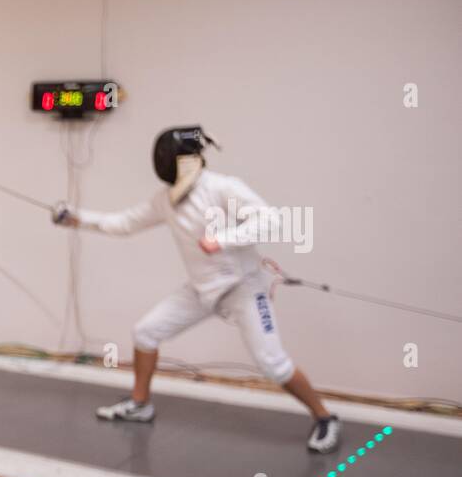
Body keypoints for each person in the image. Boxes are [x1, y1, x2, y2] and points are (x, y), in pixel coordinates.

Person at [54, 126, 339, 453]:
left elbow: (271, 220)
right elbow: (124, 223)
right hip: (203, 290)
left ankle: (325, 417)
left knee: (272, 364)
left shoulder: (222, 188)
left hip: (244, 289)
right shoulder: (166, 201)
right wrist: (75, 218)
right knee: (145, 332)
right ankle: (140, 404)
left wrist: (221, 240)